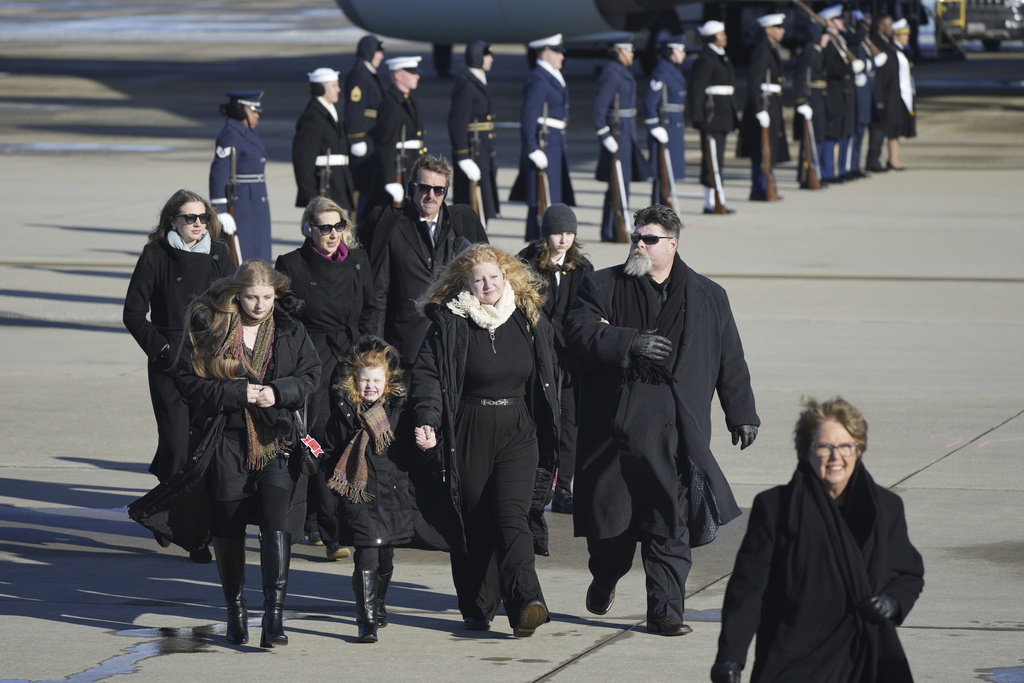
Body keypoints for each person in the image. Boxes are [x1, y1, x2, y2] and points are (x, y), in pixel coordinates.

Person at [564, 203, 759, 636]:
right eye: (636, 236)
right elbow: (576, 331)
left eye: (649, 239)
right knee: (612, 532)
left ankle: (665, 611)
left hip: (677, 434)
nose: (639, 244)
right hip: (615, 434)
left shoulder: (708, 296)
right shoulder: (603, 285)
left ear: (672, 244)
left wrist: (741, 411)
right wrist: (628, 342)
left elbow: (730, 357)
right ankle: (605, 576)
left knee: (670, 525)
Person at [711, 397, 925, 683]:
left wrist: (892, 601)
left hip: (866, 656)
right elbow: (748, 590)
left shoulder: (886, 508)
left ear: (858, 449)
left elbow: (908, 574)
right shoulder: (776, 508)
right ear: (806, 452)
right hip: (794, 658)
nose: (836, 456)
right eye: (825, 446)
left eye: (846, 446)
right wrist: (730, 657)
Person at [410, 243, 559, 637]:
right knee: (475, 520)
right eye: (479, 280)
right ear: (467, 285)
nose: (488, 285)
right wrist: (427, 419)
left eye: (494, 277)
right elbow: (427, 377)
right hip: (470, 428)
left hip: (518, 429)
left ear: (506, 276)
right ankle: (478, 605)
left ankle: (526, 601)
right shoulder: (451, 323)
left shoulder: (528, 317)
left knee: (513, 516)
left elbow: (552, 374)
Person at [175, 259, 320, 648]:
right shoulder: (213, 327)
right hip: (227, 441)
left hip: (275, 441)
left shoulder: (289, 329)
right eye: (252, 297)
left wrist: (279, 391)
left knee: (277, 522)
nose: (260, 305)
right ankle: (234, 610)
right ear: (237, 295)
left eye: (267, 297)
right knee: (229, 524)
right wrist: (237, 392)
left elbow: (311, 375)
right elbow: (188, 383)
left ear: (277, 294)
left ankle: (274, 617)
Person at [123, 190, 233, 561]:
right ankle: (173, 515)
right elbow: (133, 314)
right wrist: (164, 350)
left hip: (209, 360)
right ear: (172, 220)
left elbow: (233, 305)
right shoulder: (156, 254)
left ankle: (193, 530)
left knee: (204, 446)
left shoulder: (219, 252)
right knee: (176, 444)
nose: (197, 223)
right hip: (170, 360)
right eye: (189, 217)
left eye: (202, 217)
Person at [274, 197, 378, 560]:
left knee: (350, 435)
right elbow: (281, 318)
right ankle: (321, 524)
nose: (332, 234)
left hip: (350, 357)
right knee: (315, 439)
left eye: (338, 227)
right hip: (312, 358)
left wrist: (367, 352)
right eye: (324, 228)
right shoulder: (291, 264)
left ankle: (339, 523)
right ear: (309, 229)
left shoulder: (359, 261)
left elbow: (371, 307)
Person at [323, 336, 415, 644]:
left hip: (390, 493)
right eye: (365, 380)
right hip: (358, 494)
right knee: (367, 555)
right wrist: (320, 460)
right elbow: (332, 448)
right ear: (354, 381)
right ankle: (366, 620)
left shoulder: (398, 412)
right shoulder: (344, 412)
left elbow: (407, 452)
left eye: (377, 380)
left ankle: (378, 602)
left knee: (385, 558)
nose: (371, 386)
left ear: (388, 382)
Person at [359, 154, 488, 367]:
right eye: (424, 188)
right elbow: (378, 294)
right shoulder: (392, 227)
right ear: (412, 187)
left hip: (453, 348)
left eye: (439, 190)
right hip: (404, 349)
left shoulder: (462, 224)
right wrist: (376, 350)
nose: (431, 195)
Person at [517, 204, 593, 514]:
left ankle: (563, 489)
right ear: (545, 234)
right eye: (557, 233)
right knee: (536, 423)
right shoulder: (526, 262)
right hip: (537, 356)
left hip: (570, 359)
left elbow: (588, 309)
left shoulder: (582, 267)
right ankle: (533, 487)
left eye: (568, 233)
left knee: (569, 425)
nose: (563, 240)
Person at [509, 33, 576, 241]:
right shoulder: (538, 78)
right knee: (540, 200)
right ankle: (537, 245)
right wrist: (532, 149)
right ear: (545, 54)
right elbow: (528, 117)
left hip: (554, 143)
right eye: (558, 52)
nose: (562, 57)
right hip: (544, 144)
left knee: (551, 199)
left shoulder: (551, 76)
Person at [593, 39, 652, 242]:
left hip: (626, 133)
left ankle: (614, 228)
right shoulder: (612, 73)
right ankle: (610, 229)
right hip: (617, 135)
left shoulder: (619, 72)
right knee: (616, 184)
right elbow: (599, 109)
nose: (632, 54)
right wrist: (605, 135)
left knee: (622, 183)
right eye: (628, 51)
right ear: (618, 52)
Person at [209, 91, 272, 263]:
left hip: (255, 202)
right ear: (240, 111)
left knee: (260, 255)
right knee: (243, 255)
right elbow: (219, 170)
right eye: (253, 111)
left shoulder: (246, 132)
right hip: (242, 202)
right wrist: (220, 209)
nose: (257, 115)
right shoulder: (231, 133)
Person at [737, 13, 790, 201]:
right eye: (778, 28)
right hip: (764, 104)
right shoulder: (762, 50)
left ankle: (766, 185)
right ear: (768, 30)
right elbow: (754, 82)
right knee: (761, 148)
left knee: (770, 147)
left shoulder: (772, 48)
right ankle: (759, 188)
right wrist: (759, 109)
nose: (783, 31)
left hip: (772, 102)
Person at [688, 20, 738, 215]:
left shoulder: (720, 56)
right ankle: (710, 202)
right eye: (722, 34)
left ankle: (718, 199)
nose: (725, 37)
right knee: (711, 160)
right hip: (712, 118)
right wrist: (699, 119)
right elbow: (697, 91)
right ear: (713, 36)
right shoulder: (706, 59)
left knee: (718, 160)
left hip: (722, 116)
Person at [366, 56, 427, 210]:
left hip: (411, 164)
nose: (417, 76)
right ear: (398, 75)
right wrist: (390, 180)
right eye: (411, 72)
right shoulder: (391, 104)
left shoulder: (407, 100)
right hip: (400, 167)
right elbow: (386, 144)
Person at [292, 68, 356, 215]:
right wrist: (311, 198)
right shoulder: (313, 117)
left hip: (337, 183)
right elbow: (303, 160)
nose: (338, 90)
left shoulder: (328, 111)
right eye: (334, 86)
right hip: (325, 185)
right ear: (320, 88)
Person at [449, 39, 499, 221]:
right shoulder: (467, 84)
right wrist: (462, 156)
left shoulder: (478, 80)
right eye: (487, 55)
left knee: (483, 202)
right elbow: (457, 121)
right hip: (472, 149)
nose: (491, 59)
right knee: (473, 204)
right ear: (478, 57)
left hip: (483, 150)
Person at [820, 5, 866, 183]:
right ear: (829, 22)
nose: (842, 22)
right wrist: (850, 68)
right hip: (834, 93)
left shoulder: (839, 39)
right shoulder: (828, 42)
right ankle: (828, 172)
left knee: (844, 132)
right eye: (838, 20)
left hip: (845, 92)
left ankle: (842, 168)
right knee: (832, 134)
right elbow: (831, 68)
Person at [344, 35, 387, 220]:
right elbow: (354, 109)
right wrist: (356, 138)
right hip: (364, 141)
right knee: (361, 188)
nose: (381, 57)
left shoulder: (368, 73)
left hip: (372, 140)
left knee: (370, 187)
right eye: (378, 52)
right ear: (370, 53)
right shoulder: (360, 75)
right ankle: (354, 225)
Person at [643, 36, 687, 208]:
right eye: (680, 50)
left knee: (669, 173)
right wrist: (654, 126)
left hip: (674, 126)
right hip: (666, 126)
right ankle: (657, 211)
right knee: (661, 174)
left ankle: (664, 214)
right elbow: (649, 101)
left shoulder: (672, 70)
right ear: (671, 51)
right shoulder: (662, 71)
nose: (683, 53)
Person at [876, 18, 916, 171]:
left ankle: (893, 159)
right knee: (891, 129)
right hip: (893, 96)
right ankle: (889, 159)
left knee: (897, 128)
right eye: (904, 34)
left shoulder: (903, 51)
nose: (907, 37)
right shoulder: (891, 51)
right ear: (896, 35)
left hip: (902, 95)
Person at [792, 24, 829, 189]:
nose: (827, 38)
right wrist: (800, 101)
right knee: (809, 139)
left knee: (818, 137)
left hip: (818, 98)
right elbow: (801, 77)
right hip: (810, 99)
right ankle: (805, 176)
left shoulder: (817, 51)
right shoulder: (809, 52)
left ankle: (816, 174)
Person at [866, 15, 896, 173]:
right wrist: (878, 96)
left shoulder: (886, 41)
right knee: (877, 129)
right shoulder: (875, 42)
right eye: (888, 25)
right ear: (880, 26)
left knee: (881, 129)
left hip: (887, 92)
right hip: (879, 93)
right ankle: (872, 161)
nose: (891, 28)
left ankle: (875, 159)